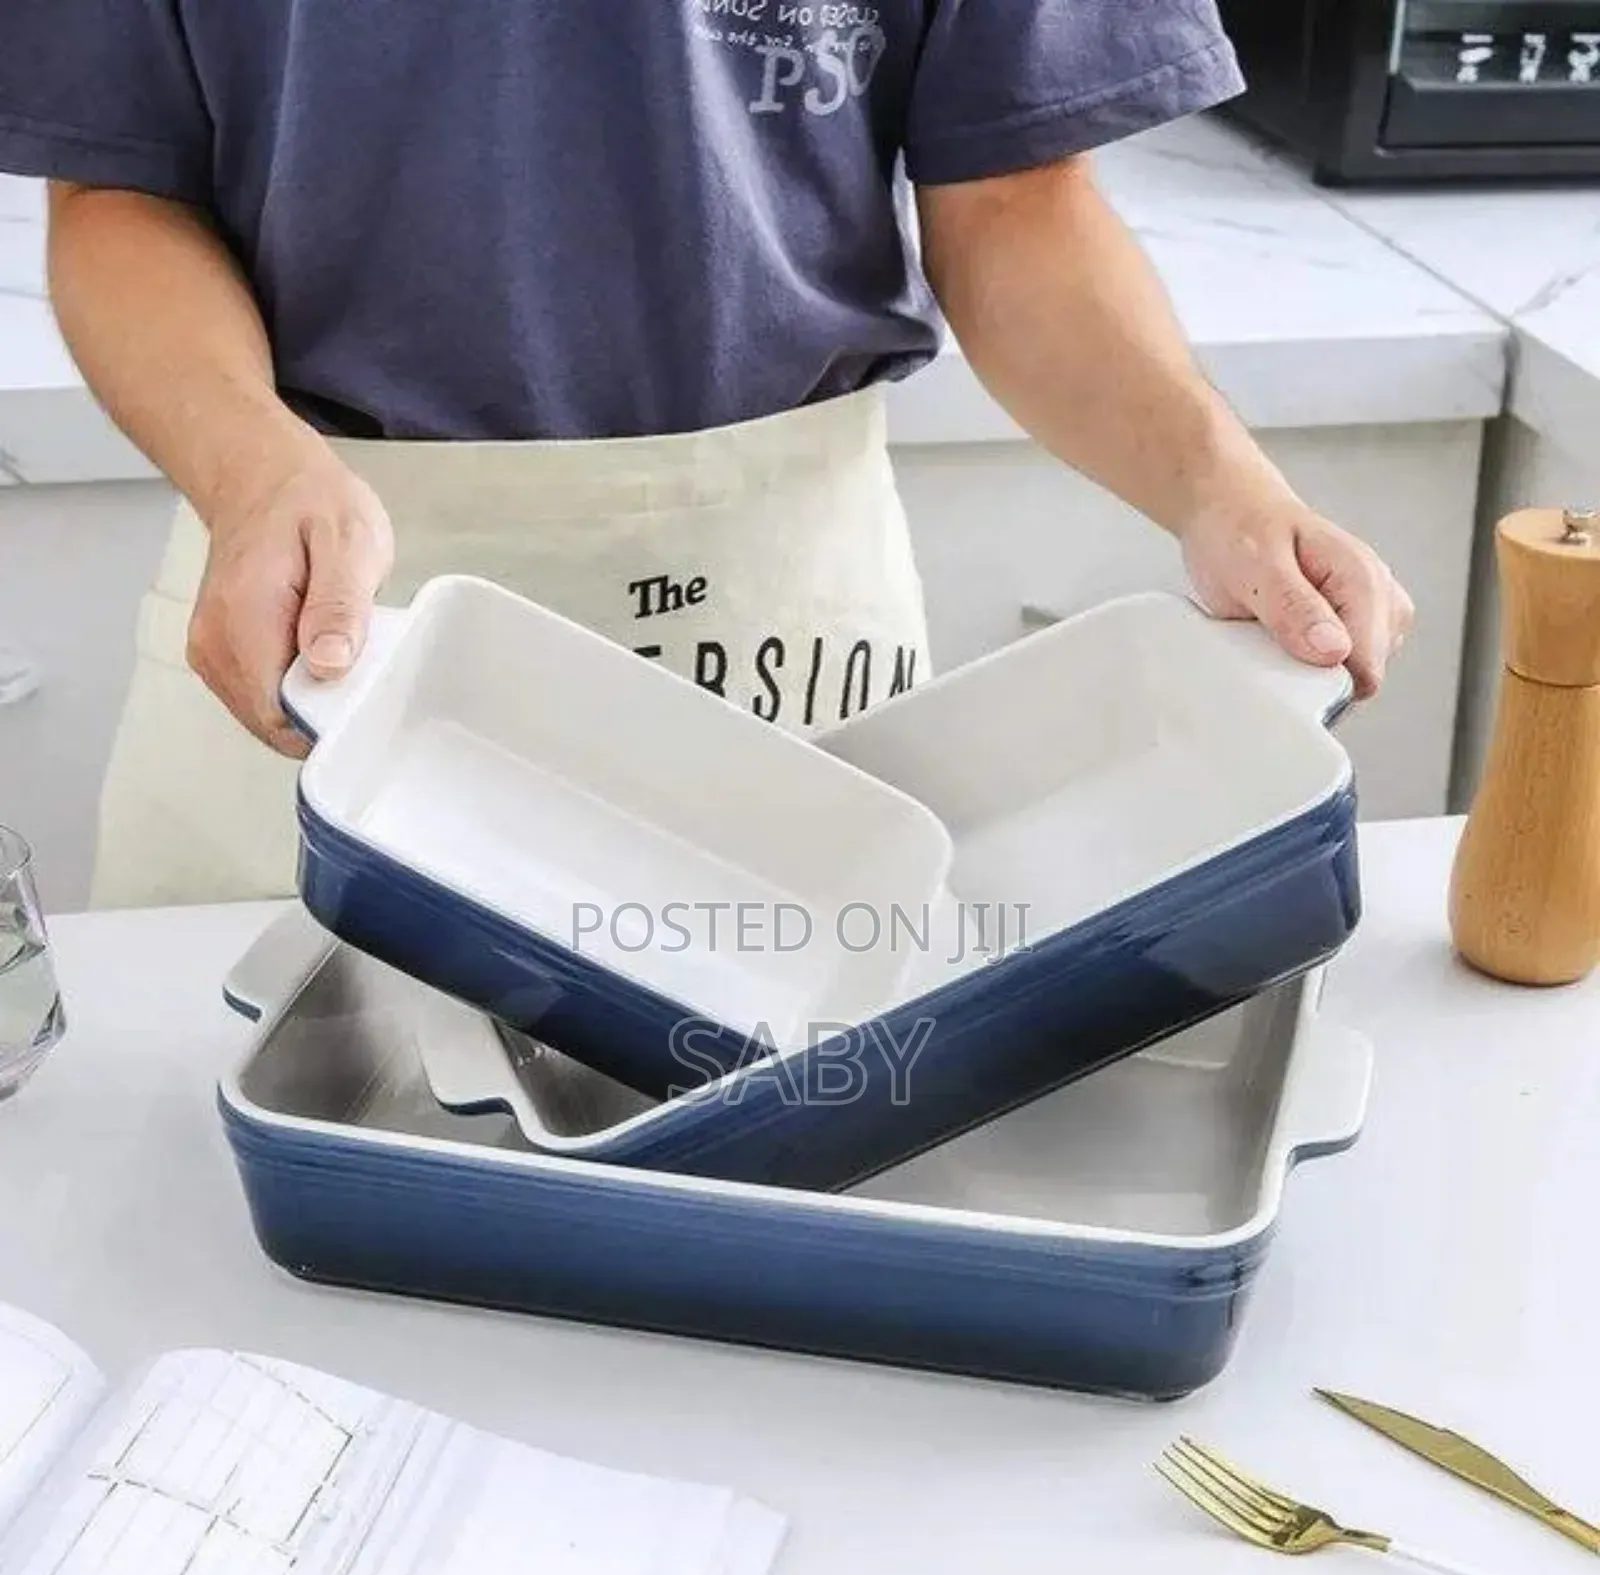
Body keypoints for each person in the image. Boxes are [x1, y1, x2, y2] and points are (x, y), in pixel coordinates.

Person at [0, 0, 1412, 911]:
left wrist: (1221, 485)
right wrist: (253, 471)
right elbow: (120, 192)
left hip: (776, 621)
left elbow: (1018, 200)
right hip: (323, 601)